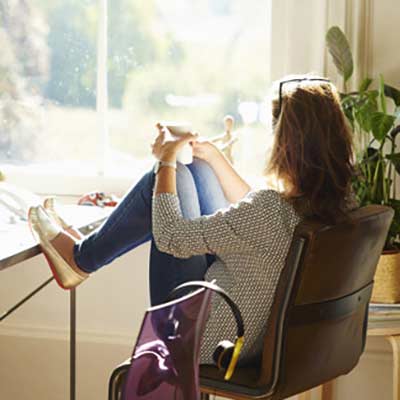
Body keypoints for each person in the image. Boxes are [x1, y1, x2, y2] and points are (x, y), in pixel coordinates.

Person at [28, 75, 356, 366]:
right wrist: (213, 157)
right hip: (253, 342)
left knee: (164, 179)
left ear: (285, 143)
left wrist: (166, 161)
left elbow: (171, 237)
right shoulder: (335, 205)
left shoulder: (269, 210)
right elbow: (253, 217)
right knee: (197, 169)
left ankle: (81, 258)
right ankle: (84, 253)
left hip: (203, 342)